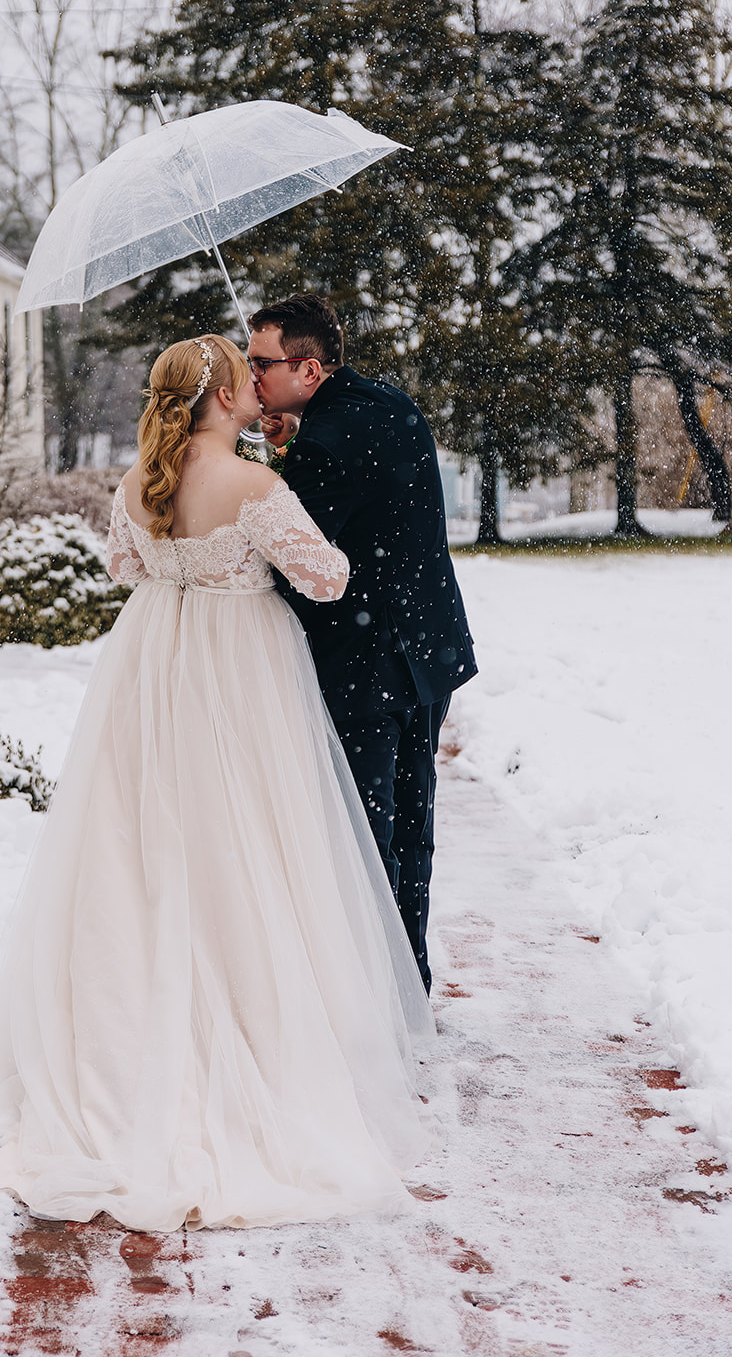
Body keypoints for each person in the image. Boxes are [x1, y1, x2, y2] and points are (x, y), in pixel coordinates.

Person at [0, 333, 433, 1233]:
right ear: (221, 396)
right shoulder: (253, 485)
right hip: (239, 669)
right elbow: (326, 580)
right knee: (244, 835)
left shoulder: (136, 483)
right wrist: (276, 506)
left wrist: (190, 560)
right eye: (243, 377)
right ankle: (251, 1034)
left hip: (155, 664)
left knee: (152, 836)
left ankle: (139, 1021)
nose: (258, 387)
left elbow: (124, 568)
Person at [249, 296, 477, 994]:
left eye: (261, 363)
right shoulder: (389, 405)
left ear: (307, 369)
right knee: (410, 823)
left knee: (361, 837)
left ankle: (378, 996)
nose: (250, 376)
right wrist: (292, 444)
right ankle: (409, 982)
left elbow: (297, 560)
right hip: (427, 650)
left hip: (364, 664)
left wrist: (278, 465)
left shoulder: (324, 444)